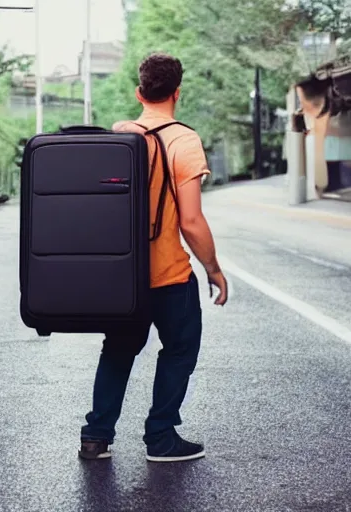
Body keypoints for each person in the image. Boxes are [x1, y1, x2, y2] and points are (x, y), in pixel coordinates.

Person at [78, 52, 228, 463]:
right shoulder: (183, 140)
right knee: (180, 349)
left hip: (122, 275)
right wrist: (213, 269)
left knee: (118, 350)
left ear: (139, 92)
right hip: (167, 276)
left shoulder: (120, 137)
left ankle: (96, 436)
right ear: (177, 92)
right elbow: (192, 220)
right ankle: (160, 437)